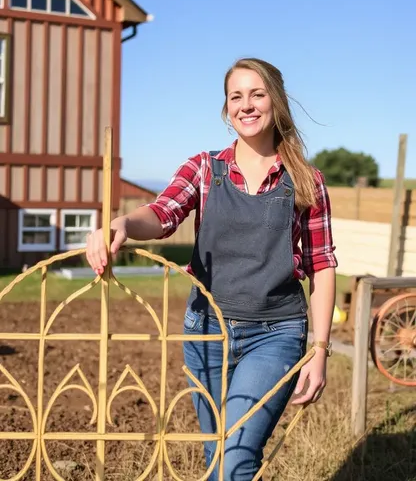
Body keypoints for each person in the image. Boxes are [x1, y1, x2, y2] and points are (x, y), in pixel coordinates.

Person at [86, 57, 337, 481]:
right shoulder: (204, 168)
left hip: (274, 335)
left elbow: (322, 264)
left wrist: (320, 349)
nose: (247, 105)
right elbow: (163, 214)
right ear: (226, 108)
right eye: (236, 96)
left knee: (235, 456)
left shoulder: (306, 181)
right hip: (205, 330)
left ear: (275, 102)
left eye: (257, 94)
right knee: (217, 454)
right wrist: (123, 224)